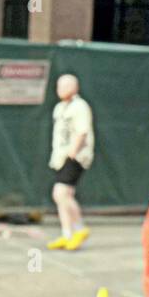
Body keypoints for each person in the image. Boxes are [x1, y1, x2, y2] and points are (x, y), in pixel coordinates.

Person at [47, 74, 94, 251]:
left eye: (64, 86)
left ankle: (79, 228)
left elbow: (82, 131)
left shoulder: (80, 107)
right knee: (64, 196)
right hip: (60, 156)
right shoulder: (59, 108)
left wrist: (73, 152)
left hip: (75, 156)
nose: (59, 89)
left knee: (60, 193)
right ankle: (68, 234)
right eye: (59, 86)